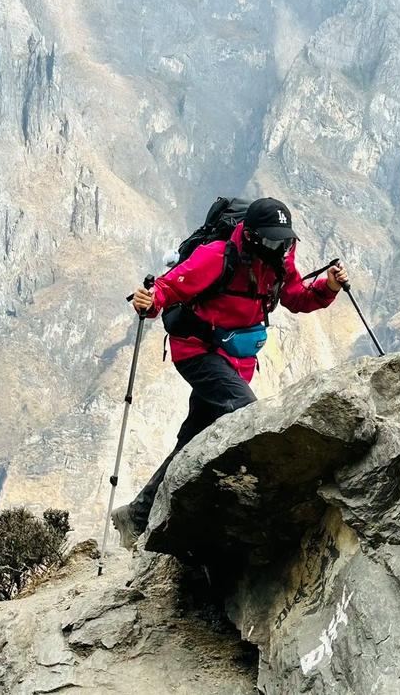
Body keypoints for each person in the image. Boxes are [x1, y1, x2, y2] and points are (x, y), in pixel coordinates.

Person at [112, 196, 348, 546]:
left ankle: (136, 515)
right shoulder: (217, 255)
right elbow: (168, 288)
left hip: (236, 361)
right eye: (271, 240)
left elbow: (296, 297)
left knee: (195, 438)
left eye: (283, 239)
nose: (279, 246)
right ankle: (236, 517)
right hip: (197, 351)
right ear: (251, 236)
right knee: (246, 415)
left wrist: (327, 287)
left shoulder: (281, 256)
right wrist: (147, 303)